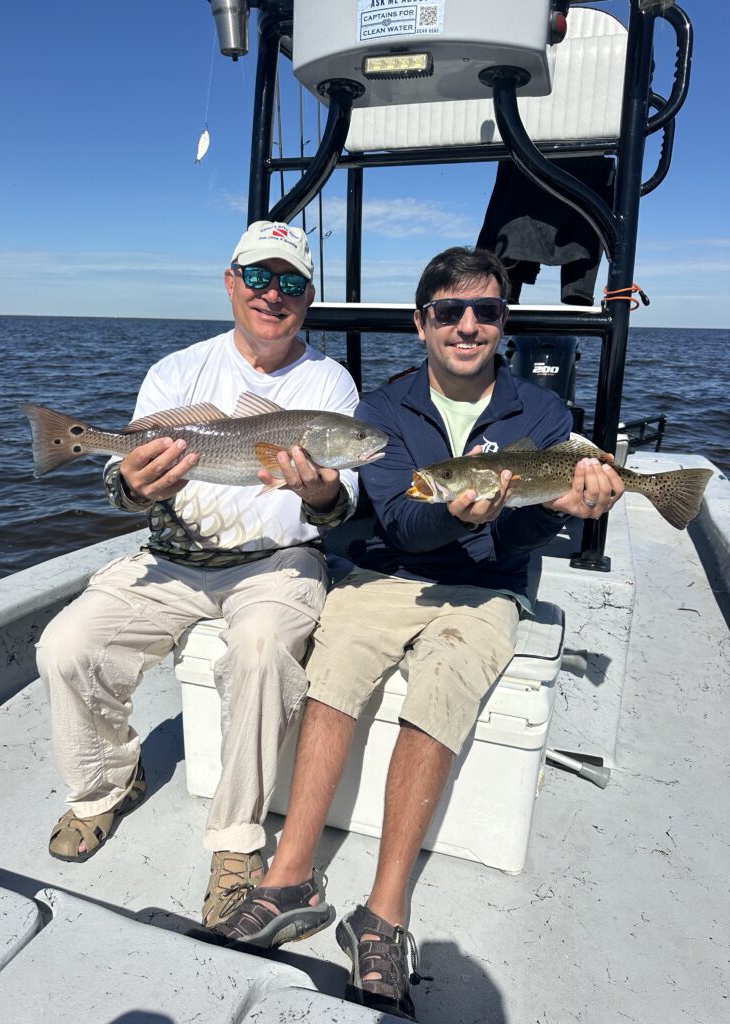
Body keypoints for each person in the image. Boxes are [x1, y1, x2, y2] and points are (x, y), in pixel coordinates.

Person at [211, 246, 625, 1020]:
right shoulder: (383, 410)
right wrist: (457, 514)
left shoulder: (543, 415)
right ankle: (290, 875)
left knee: (443, 685)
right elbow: (401, 520)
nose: (468, 327)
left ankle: (383, 914)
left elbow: (530, 537)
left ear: (504, 324)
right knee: (336, 665)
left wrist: (575, 503)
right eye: (449, 313)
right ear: (422, 323)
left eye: (487, 312)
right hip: (387, 573)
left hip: (489, 589)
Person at [36, 220, 361, 928]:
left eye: (292, 283)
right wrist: (128, 478)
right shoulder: (177, 371)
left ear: (309, 296)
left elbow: (340, 508)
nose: (273, 295)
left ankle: (238, 843)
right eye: (259, 277)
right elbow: (123, 488)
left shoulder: (329, 382)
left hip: (278, 564)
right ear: (230, 282)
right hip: (173, 556)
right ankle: (103, 791)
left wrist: (319, 491)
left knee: (260, 651)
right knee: (65, 645)